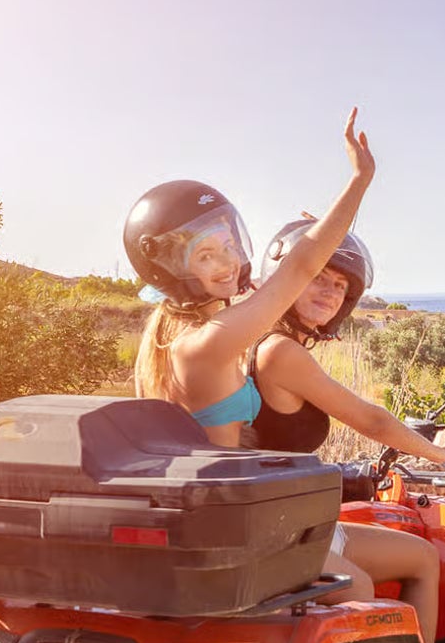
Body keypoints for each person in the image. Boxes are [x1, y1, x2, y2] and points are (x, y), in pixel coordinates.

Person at [243, 219, 445, 643]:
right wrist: (440, 451)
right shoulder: (279, 351)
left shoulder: (251, 341)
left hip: (284, 515)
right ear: (285, 276)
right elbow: (370, 421)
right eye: (318, 278)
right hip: (275, 532)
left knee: (420, 558)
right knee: (360, 593)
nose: (330, 293)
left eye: (340, 286)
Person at [126, 108, 375, 446]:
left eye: (229, 246)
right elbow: (300, 265)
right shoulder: (207, 344)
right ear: (169, 271)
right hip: (229, 495)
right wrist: (360, 180)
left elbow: (283, 278)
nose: (227, 262)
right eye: (205, 255)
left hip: (232, 489)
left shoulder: (171, 339)